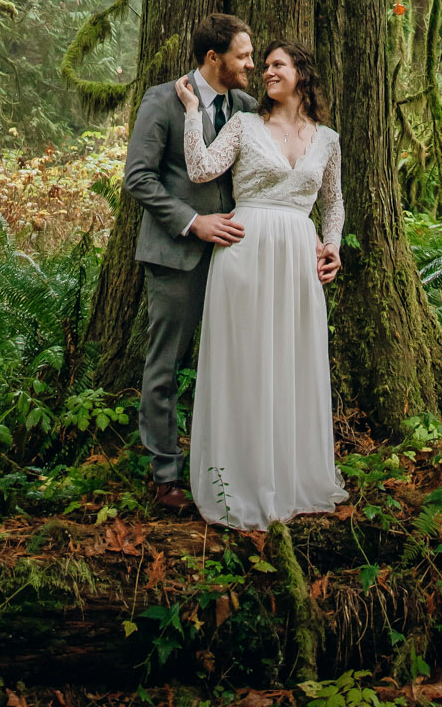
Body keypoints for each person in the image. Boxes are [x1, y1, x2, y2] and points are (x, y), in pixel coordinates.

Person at [177, 38, 346, 529]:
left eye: (278, 65)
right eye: (265, 65)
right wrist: (192, 110)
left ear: (301, 73)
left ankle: (293, 477)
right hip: (246, 254)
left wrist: (331, 245)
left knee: (292, 362)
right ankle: (241, 482)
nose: (268, 72)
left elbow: (332, 202)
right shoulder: (245, 124)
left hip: (298, 256)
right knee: (246, 365)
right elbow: (201, 167)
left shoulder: (328, 139)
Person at [123, 11, 257, 511]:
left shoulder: (246, 106)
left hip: (237, 257)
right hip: (176, 257)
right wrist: (192, 221)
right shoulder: (162, 100)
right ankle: (165, 477)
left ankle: (226, 467)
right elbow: (139, 178)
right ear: (212, 57)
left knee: (230, 363)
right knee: (167, 364)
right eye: (243, 55)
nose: (251, 63)